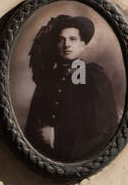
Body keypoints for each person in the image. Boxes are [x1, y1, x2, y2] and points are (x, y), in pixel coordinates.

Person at [23, 13, 119, 162]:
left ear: (83, 44)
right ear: (56, 45)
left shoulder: (94, 77)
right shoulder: (48, 79)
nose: (66, 44)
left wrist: (57, 137)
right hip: (43, 160)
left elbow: (105, 131)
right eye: (61, 40)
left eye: (73, 39)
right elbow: (31, 126)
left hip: (78, 160)